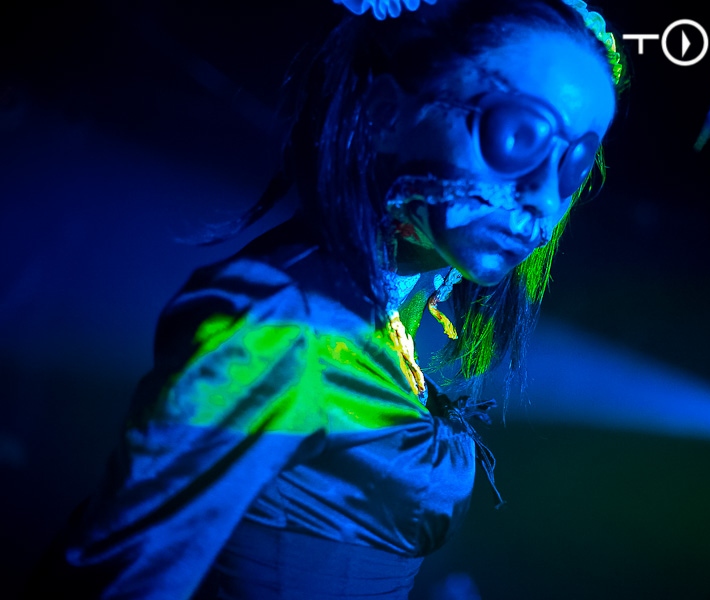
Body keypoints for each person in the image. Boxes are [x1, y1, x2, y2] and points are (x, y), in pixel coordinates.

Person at [29, 0, 625, 597]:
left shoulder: (387, 308)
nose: (545, 197)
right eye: (520, 134)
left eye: (573, 164)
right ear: (387, 115)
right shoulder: (281, 323)